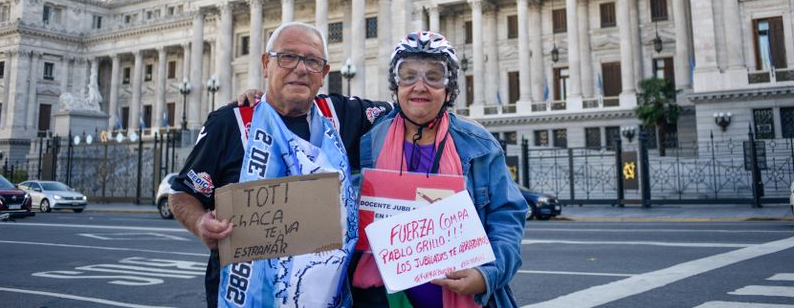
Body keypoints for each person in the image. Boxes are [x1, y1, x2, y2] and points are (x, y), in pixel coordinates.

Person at [169, 21, 391, 308]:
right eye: (287, 57)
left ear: (324, 73)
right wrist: (200, 223)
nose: (299, 68)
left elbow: (409, 111)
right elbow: (181, 193)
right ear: (265, 64)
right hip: (245, 297)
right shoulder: (230, 123)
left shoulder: (341, 115)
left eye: (312, 61)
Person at [351, 31, 527, 308]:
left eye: (433, 76)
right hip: (383, 300)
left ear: (449, 88)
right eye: (408, 75)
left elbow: (507, 218)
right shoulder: (369, 141)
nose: (419, 86)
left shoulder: (478, 144)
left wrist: (486, 275)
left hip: (467, 299)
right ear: (395, 85)